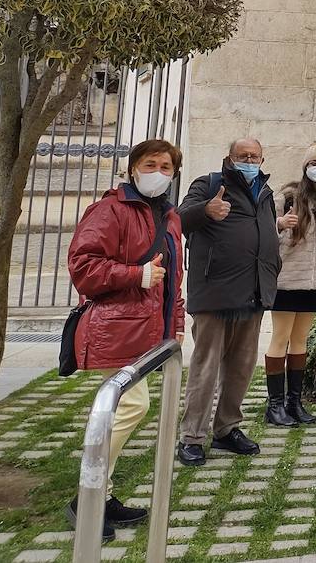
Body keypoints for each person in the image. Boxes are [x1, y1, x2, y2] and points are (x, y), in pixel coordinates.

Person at [67, 138, 185, 540]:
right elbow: (83, 266)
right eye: (151, 164)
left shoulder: (169, 216)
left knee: (119, 410)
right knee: (129, 406)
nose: (158, 172)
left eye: (166, 166)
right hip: (118, 327)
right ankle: (87, 497)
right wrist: (135, 274)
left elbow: (173, 279)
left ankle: (103, 492)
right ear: (133, 168)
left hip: (149, 330)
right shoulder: (110, 209)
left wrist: (177, 323)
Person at [176, 137, 280, 466]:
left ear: (262, 160)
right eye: (242, 156)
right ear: (229, 157)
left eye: (254, 156)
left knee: (241, 368)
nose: (248, 160)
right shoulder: (209, 184)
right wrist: (205, 211)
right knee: (206, 368)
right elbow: (179, 219)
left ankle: (227, 428)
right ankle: (192, 436)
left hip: (253, 292)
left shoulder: (265, 193)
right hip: (216, 292)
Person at [265, 141, 316, 427]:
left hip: (313, 283)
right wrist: (280, 224)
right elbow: (264, 232)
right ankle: (274, 406)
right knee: (280, 338)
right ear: (305, 166)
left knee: (300, 341)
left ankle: (294, 403)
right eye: (313, 164)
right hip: (286, 282)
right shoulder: (287, 196)